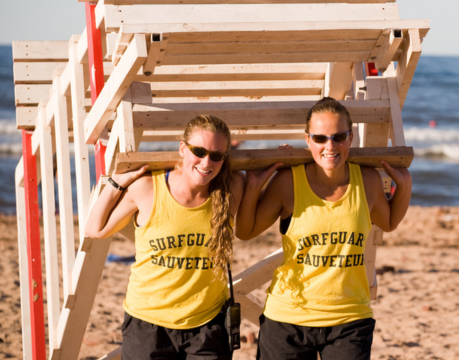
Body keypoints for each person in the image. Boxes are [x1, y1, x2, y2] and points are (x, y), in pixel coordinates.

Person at [236, 97, 412, 360]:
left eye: (338, 137)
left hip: (350, 317)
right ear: (308, 140)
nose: (330, 146)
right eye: (320, 138)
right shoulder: (288, 182)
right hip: (288, 317)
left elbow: (389, 222)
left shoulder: (366, 181)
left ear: (351, 138)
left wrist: (405, 186)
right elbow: (246, 231)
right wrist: (254, 185)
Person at [84, 115, 244, 359]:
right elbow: (94, 229)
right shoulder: (147, 188)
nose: (206, 161)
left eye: (216, 155)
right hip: (148, 324)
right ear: (182, 148)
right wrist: (116, 182)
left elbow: (252, 221)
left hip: (208, 324)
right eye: (198, 151)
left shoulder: (231, 188)